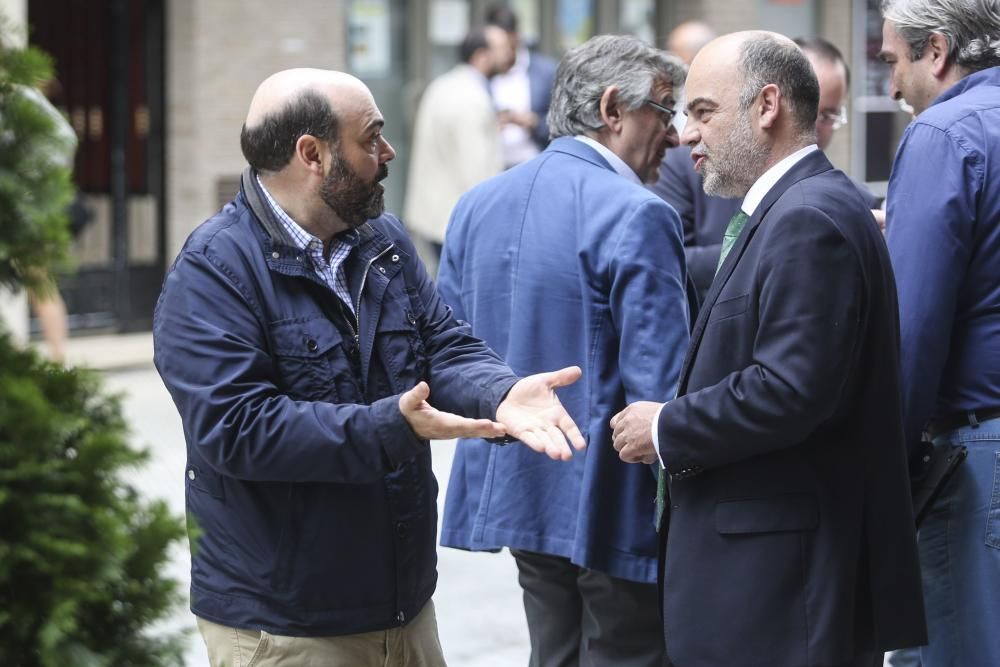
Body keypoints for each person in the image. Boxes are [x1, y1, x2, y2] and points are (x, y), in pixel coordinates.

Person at [152, 68, 587, 667]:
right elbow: (239, 430)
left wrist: (501, 392)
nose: (388, 152)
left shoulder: (380, 239)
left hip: (402, 604)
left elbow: (441, 344)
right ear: (313, 153)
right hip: (286, 622)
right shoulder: (214, 270)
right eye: (372, 137)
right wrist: (394, 427)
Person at [610, 31, 927, 667]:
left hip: (782, 589)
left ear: (767, 106)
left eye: (703, 112)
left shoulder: (807, 216)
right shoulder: (796, 207)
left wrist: (667, 425)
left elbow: (789, 389)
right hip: (771, 581)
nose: (686, 135)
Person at [439, 35, 688, 667]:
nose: (676, 132)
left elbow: (445, 355)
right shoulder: (639, 213)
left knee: (552, 652)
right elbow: (659, 386)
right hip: (616, 499)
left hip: (520, 484)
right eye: (664, 109)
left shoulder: (475, 205)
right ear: (613, 110)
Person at [878, 1, 1000, 664]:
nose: (892, 87)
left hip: (977, 447)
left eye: (894, 61)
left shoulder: (945, 133)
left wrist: (882, 474)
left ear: (938, 50)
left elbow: (912, 328)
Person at [651, 35, 877, 301]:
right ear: (769, 105)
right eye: (802, 105)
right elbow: (661, 261)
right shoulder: (687, 166)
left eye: (826, 115)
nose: (809, 124)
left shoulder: (848, 206)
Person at [403, 26, 511, 265]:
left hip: (432, 214)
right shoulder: (472, 99)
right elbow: (477, 174)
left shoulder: (443, 84)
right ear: (481, 55)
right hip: (456, 221)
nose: (509, 54)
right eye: (502, 49)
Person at [485, 4, 558, 167]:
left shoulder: (545, 72)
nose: (501, 52)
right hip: (492, 167)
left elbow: (563, 127)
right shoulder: (483, 74)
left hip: (535, 164)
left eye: (505, 45)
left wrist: (534, 123)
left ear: (515, 37)